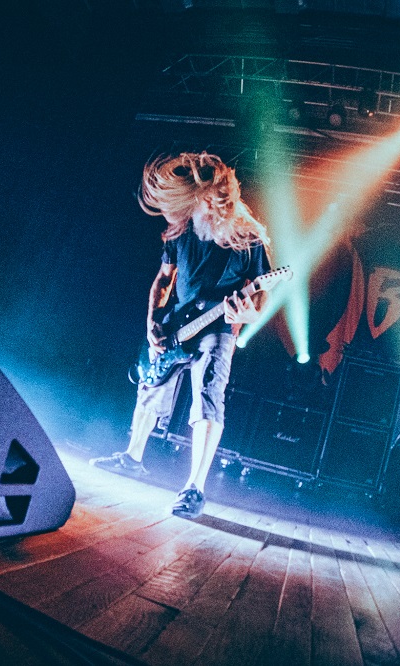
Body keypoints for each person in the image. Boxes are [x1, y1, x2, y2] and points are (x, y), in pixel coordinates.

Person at [90, 152, 271, 519]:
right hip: (176, 323)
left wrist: (248, 313)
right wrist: (152, 322)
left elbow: (260, 293)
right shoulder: (182, 229)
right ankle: (132, 457)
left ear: (213, 199)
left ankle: (194, 488)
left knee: (208, 396)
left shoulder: (248, 237)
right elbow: (164, 278)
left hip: (218, 329)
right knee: (150, 384)